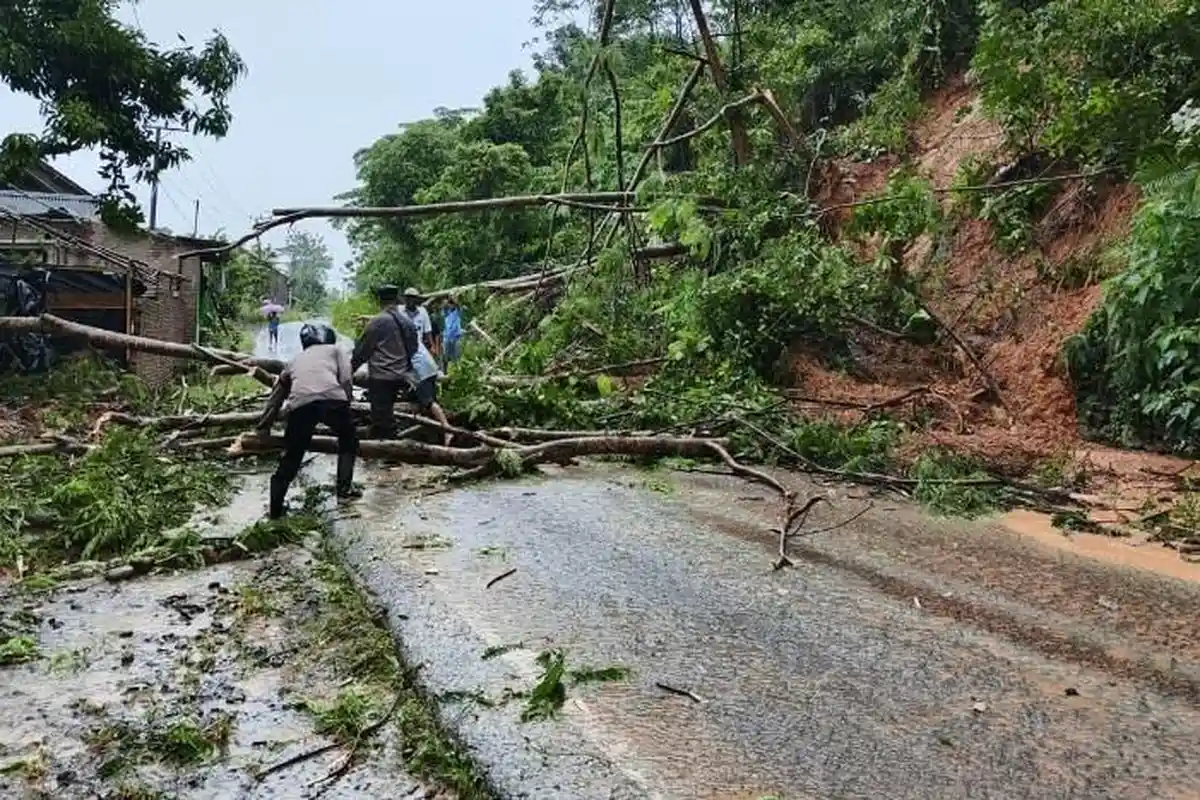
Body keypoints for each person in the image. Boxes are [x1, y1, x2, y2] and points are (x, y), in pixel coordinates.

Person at [258, 323, 360, 519]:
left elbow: (277, 395)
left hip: (301, 405)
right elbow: (347, 378)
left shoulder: (294, 360)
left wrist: (263, 426)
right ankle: (344, 490)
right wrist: (346, 402)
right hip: (332, 399)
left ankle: (275, 509)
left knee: (292, 455)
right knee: (349, 439)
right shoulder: (336, 350)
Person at [352, 285, 420, 440]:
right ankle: (384, 439)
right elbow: (414, 348)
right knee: (386, 412)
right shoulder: (407, 322)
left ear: (380, 300)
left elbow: (363, 351)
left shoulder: (376, 322)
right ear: (397, 300)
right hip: (401, 375)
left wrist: (349, 370)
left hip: (381, 377)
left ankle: (389, 445)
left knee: (381, 417)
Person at [409, 337, 453, 446]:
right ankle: (432, 433)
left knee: (429, 402)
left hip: (421, 371)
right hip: (429, 367)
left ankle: (447, 429)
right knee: (425, 401)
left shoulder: (398, 337)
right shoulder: (410, 332)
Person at [440, 295, 463, 371]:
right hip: (447, 337)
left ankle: (457, 370)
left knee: (457, 356)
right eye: (450, 304)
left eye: (452, 304)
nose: (451, 305)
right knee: (445, 356)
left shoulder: (457, 311)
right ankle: (444, 371)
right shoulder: (446, 312)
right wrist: (447, 301)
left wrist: (453, 300)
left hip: (456, 337)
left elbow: (458, 306)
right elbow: (443, 308)